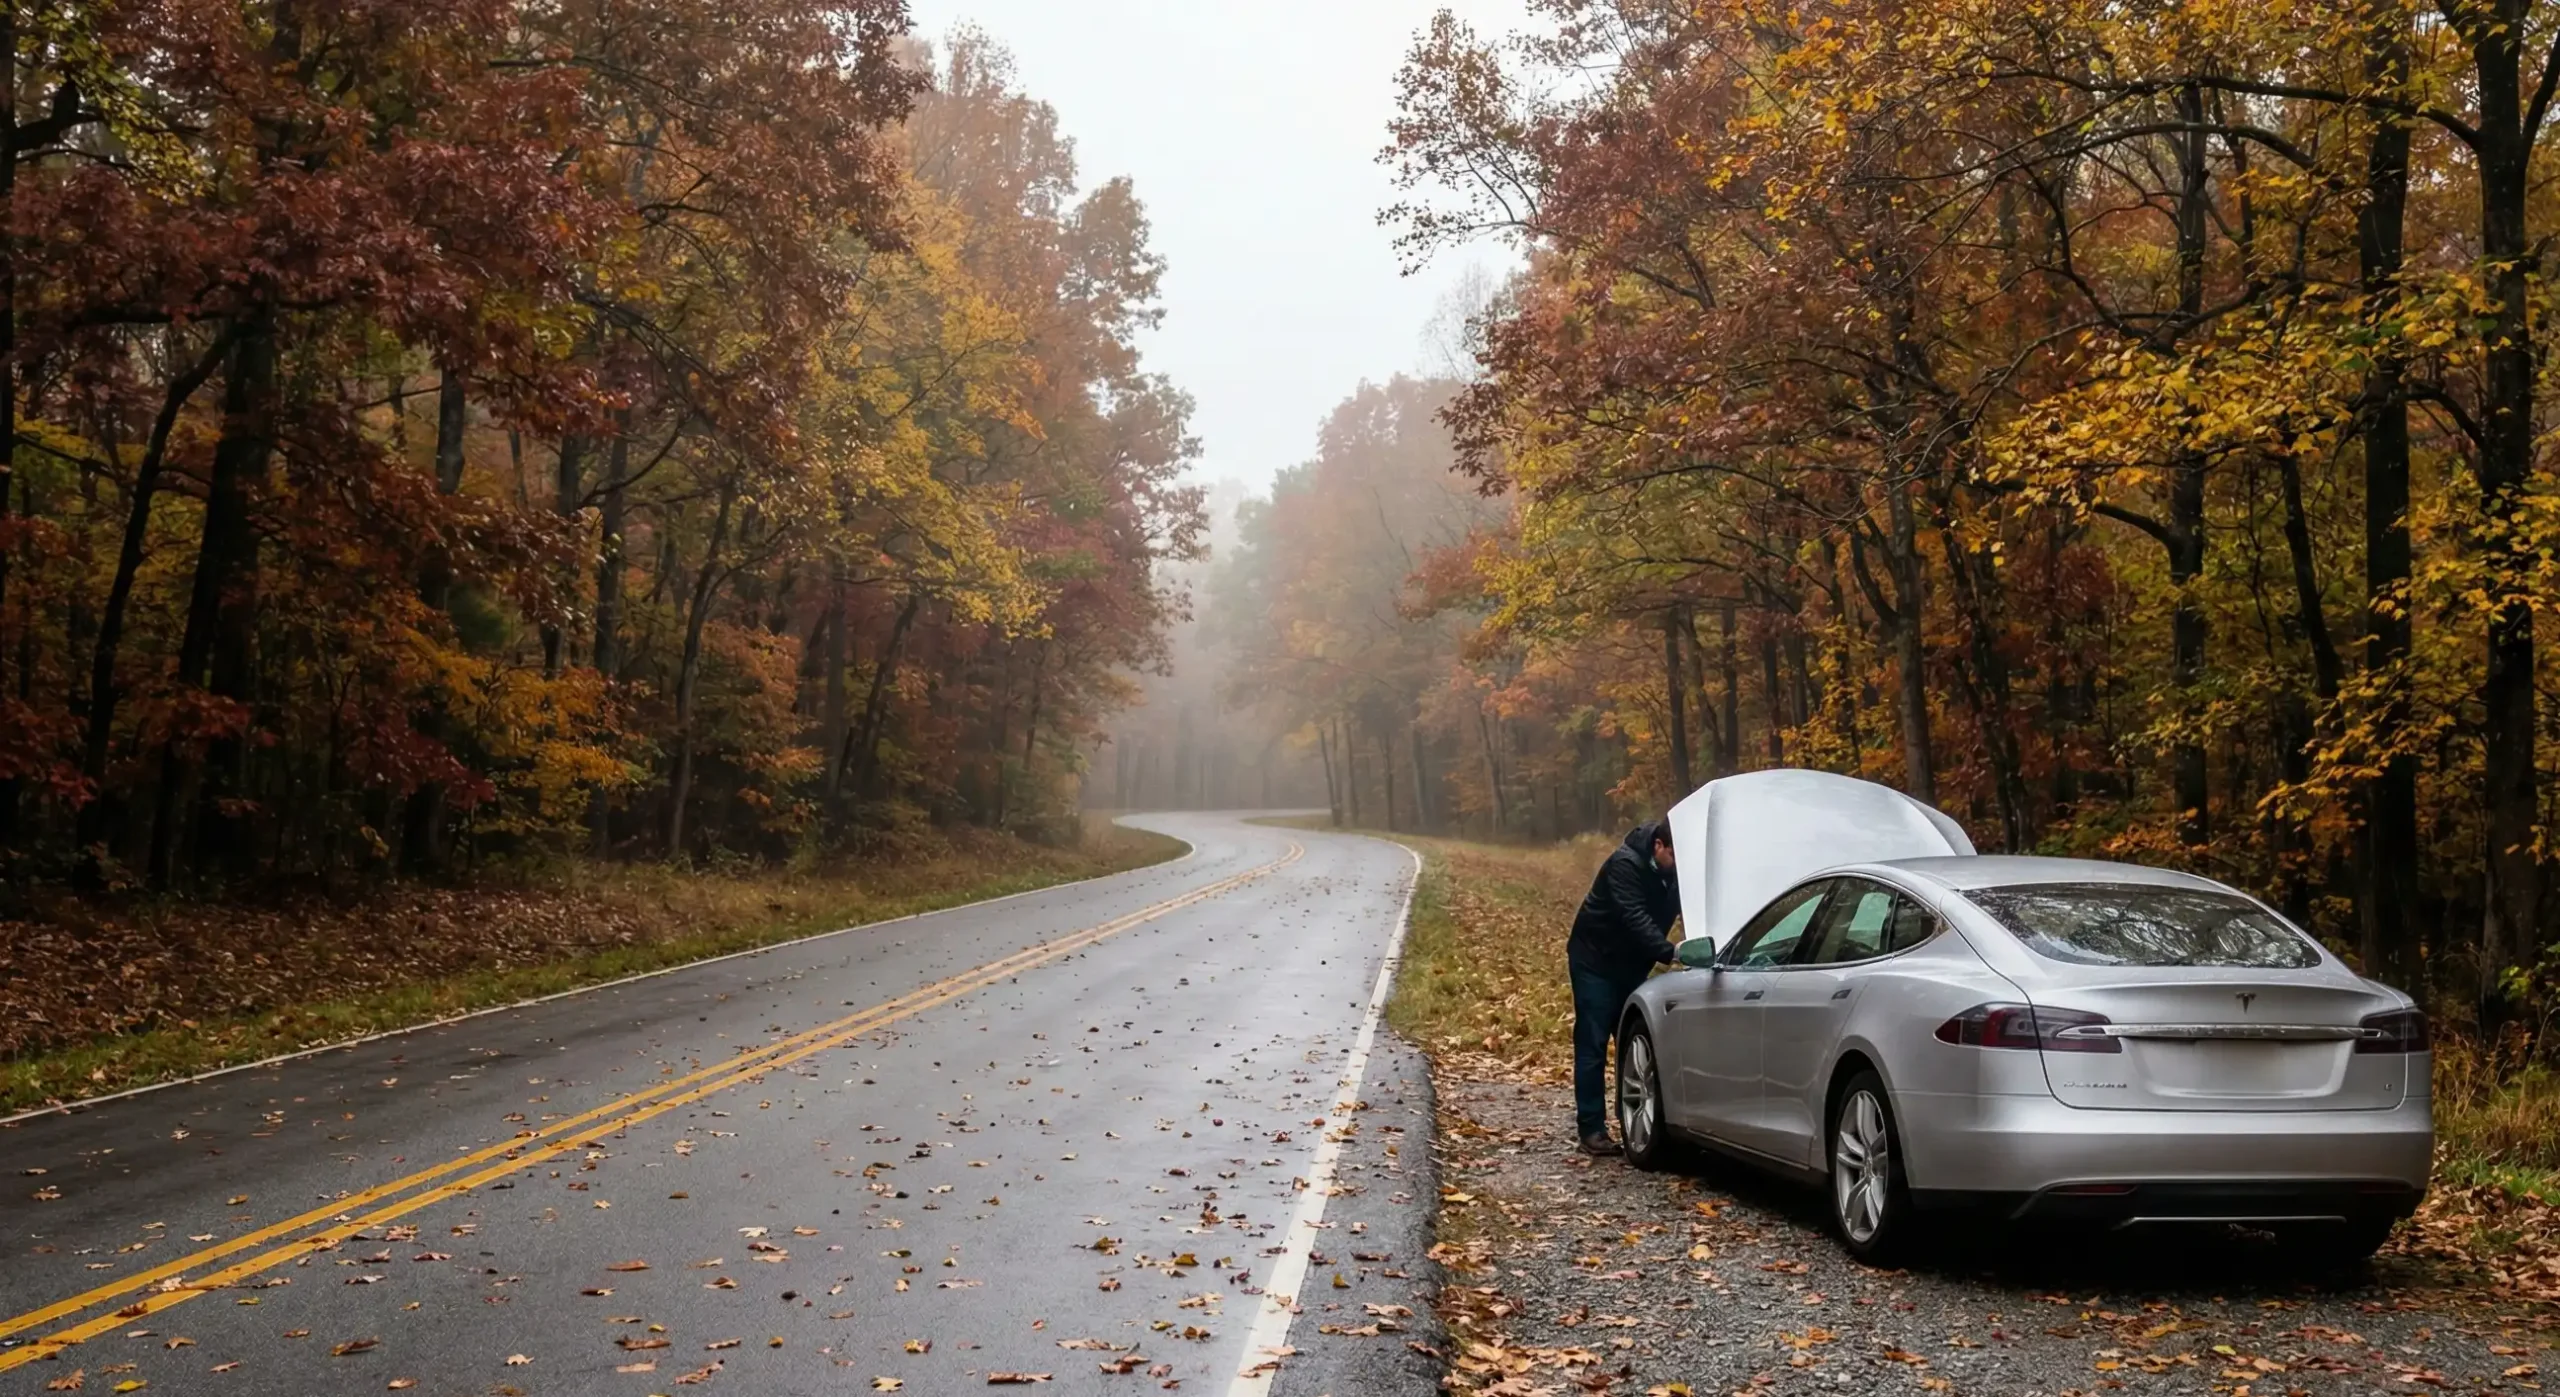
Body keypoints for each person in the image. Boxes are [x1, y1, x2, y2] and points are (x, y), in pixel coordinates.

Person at [1567, 818, 1679, 1155]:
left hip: (1632, 964)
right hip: (1595, 961)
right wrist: (1670, 951)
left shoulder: (1675, 872)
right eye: (1674, 855)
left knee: (1635, 1043)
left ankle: (1633, 1120)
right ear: (1658, 846)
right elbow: (1634, 917)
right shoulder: (1624, 864)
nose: (1679, 864)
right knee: (1593, 1041)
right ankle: (1591, 1129)